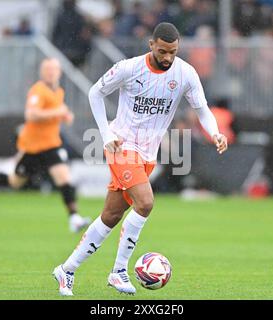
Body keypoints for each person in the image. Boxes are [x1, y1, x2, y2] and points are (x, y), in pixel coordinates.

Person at [52, 22, 228, 296]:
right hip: (121, 146)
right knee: (145, 203)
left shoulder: (185, 74)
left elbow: (202, 108)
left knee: (110, 215)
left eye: (172, 51)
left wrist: (216, 133)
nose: (168, 57)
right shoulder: (129, 68)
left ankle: (67, 270)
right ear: (151, 45)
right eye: (162, 51)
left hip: (147, 154)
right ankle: (119, 271)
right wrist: (106, 133)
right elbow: (95, 92)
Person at [0, 58, 91, 233]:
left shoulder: (59, 91)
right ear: (42, 72)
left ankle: (74, 218)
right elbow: (31, 115)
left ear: (59, 72)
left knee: (64, 178)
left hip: (51, 145)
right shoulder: (38, 90)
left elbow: (58, 108)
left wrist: (66, 115)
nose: (50, 72)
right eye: (47, 69)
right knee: (15, 182)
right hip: (32, 147)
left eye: (53, 69)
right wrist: (59, 112)